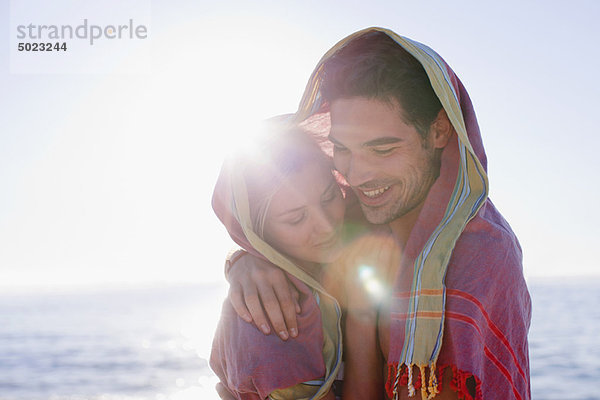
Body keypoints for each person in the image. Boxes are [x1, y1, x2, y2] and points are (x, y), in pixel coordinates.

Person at [224, 28, 531, 400]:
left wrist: (361, 325)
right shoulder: (360, 217)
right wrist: (247, 261)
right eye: (342, 150)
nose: (357, 175)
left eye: (383, 150)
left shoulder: (477, 259)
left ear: (438, 131)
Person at [211, 124, 367, 400]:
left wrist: (239, 260)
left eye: (330, 196)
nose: (326, 225)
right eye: (296, 218)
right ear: (257, 233)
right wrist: (365, 327)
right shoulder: (271, 316)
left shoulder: (352, 245)